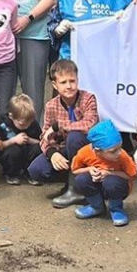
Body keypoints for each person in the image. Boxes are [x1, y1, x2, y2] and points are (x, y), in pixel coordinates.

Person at [28, 59, 100, 207]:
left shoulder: (88, 98)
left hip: (89, 150)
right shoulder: (51, 105)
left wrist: (59, 125)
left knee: (75, 137)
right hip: (65, 149)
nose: (69, 86)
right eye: (63, 82)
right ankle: (72, 181)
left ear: (78, 80)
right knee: (36, 170)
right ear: (55, 85)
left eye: (72, 81)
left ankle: (77, 189)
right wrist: (52, 153)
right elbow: (44, 137)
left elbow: (89, 125)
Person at [69, 120, 137, 225]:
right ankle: (96, 206)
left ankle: (116, 209)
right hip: (97, 186)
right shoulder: (84, 153)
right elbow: (75, 170)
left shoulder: (122, 156)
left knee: (111, 182)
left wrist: (109, 173)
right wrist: (89, 169)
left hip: (117, 187)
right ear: (97, 151)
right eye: (113, 151)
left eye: (120, 147)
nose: (118, 153)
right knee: (81, 179)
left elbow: (132, 176)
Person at [0, 94, 43, 185]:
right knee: (12, 151)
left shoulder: (32, 123)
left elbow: (42, 142)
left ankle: (30, 173)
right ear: (11, 116)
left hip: (28, 152)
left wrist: (29, 140)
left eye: (29, 122)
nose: (27, 126)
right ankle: (11, 174)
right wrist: (14, 140)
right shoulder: (5, 123)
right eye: (22, 124)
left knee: (38, 148)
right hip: (11, 152)